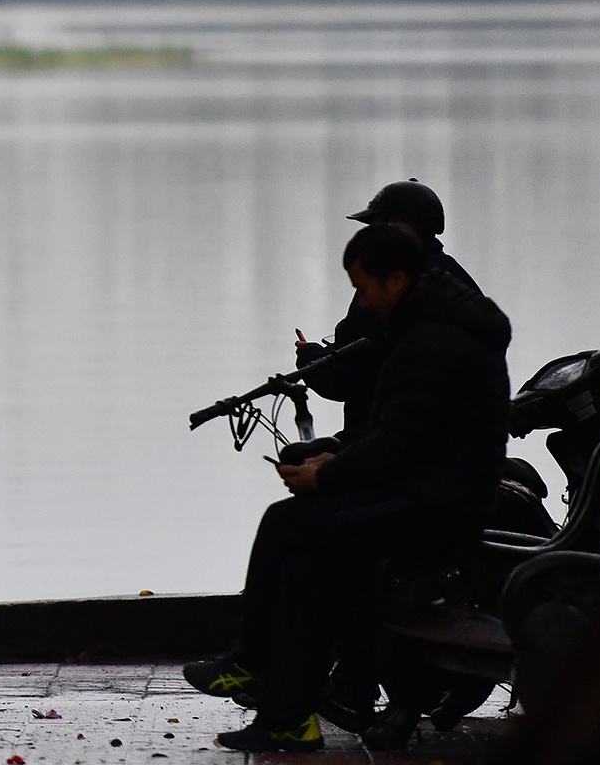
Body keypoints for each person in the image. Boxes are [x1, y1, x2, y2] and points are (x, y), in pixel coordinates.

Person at [186, 221, 512, 753]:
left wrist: (327, 474)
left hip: (437, 511)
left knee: (297, 529)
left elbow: (399, 446)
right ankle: (275, 695)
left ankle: (267, 684)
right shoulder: (435, 326)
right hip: (429, 495)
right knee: (297, 533)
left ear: (396, 279)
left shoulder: (434, 341)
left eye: (363, 287)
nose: (361, 301)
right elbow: (398, 433)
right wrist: (335, 455)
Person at [291, 180, 480, 439]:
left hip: (392, 447)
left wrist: (309, 356)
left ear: (395, 224)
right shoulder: (459, 282)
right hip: (461, 444)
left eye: (374, 227)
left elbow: (344, 379)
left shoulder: (387, 289)